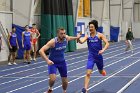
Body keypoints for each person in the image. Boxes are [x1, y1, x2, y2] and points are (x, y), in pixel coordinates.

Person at [39, 27, 81, 93]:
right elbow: (41, 51)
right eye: (61, 34)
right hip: (53, 63)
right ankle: (50, 89)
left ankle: (64, 91)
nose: (63, 35)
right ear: (58, 34)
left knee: (65, 81)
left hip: (62, 62)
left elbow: (70, 38)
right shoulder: (53, 42)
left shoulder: (66, 38)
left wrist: (77, 37)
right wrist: (47, 60)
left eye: (64, 33)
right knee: (52, 79)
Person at [77, 20, 109, 93]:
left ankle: (102, 71)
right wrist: (78, 38)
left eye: (92, 27)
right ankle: (85, 89)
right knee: (88, 73)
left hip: (99, 57)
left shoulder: (100, 35)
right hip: (91, 57)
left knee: (101, 71)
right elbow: (81, 42)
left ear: (95, 27)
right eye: (89, 27)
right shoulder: (87, 36)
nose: (90, 28)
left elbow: (107, 43)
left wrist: (103, 49)